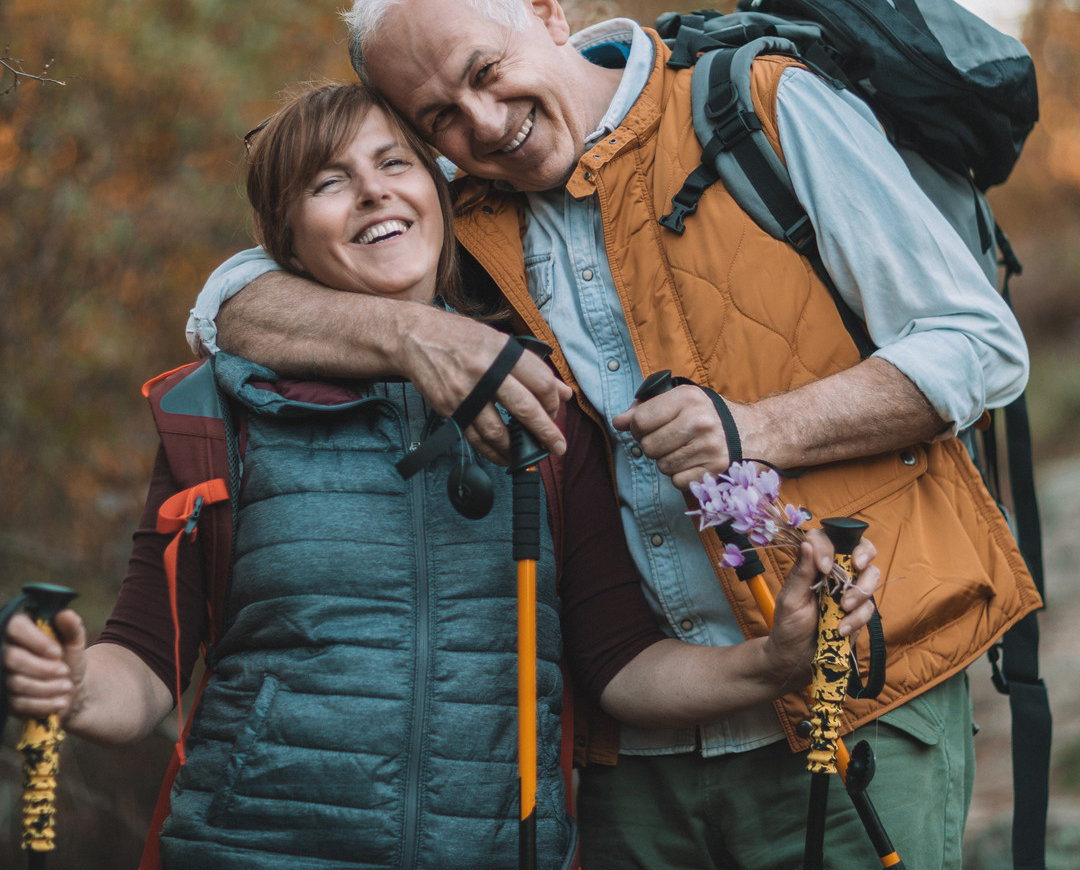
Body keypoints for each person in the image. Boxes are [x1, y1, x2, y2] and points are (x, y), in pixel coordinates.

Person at [180, 0, 1042, 869]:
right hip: (631, 750)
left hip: (858, 693)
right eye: (440, 115)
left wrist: (755, 428)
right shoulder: (463, 221)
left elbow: (978, 345)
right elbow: (229, 302)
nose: (483, 120)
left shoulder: (759, 108)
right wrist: (418, 335)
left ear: (543, 10)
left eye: (487, 70)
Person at [2, 81, 880, 870]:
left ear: (437, 195)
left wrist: (775, 662)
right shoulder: (216, 417)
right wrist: (68, 684)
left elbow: (620, 666)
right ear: (288, 244)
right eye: (328, 181)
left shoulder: (549, 409)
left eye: (395, 163)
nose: (375, 190)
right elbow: (144, 668)